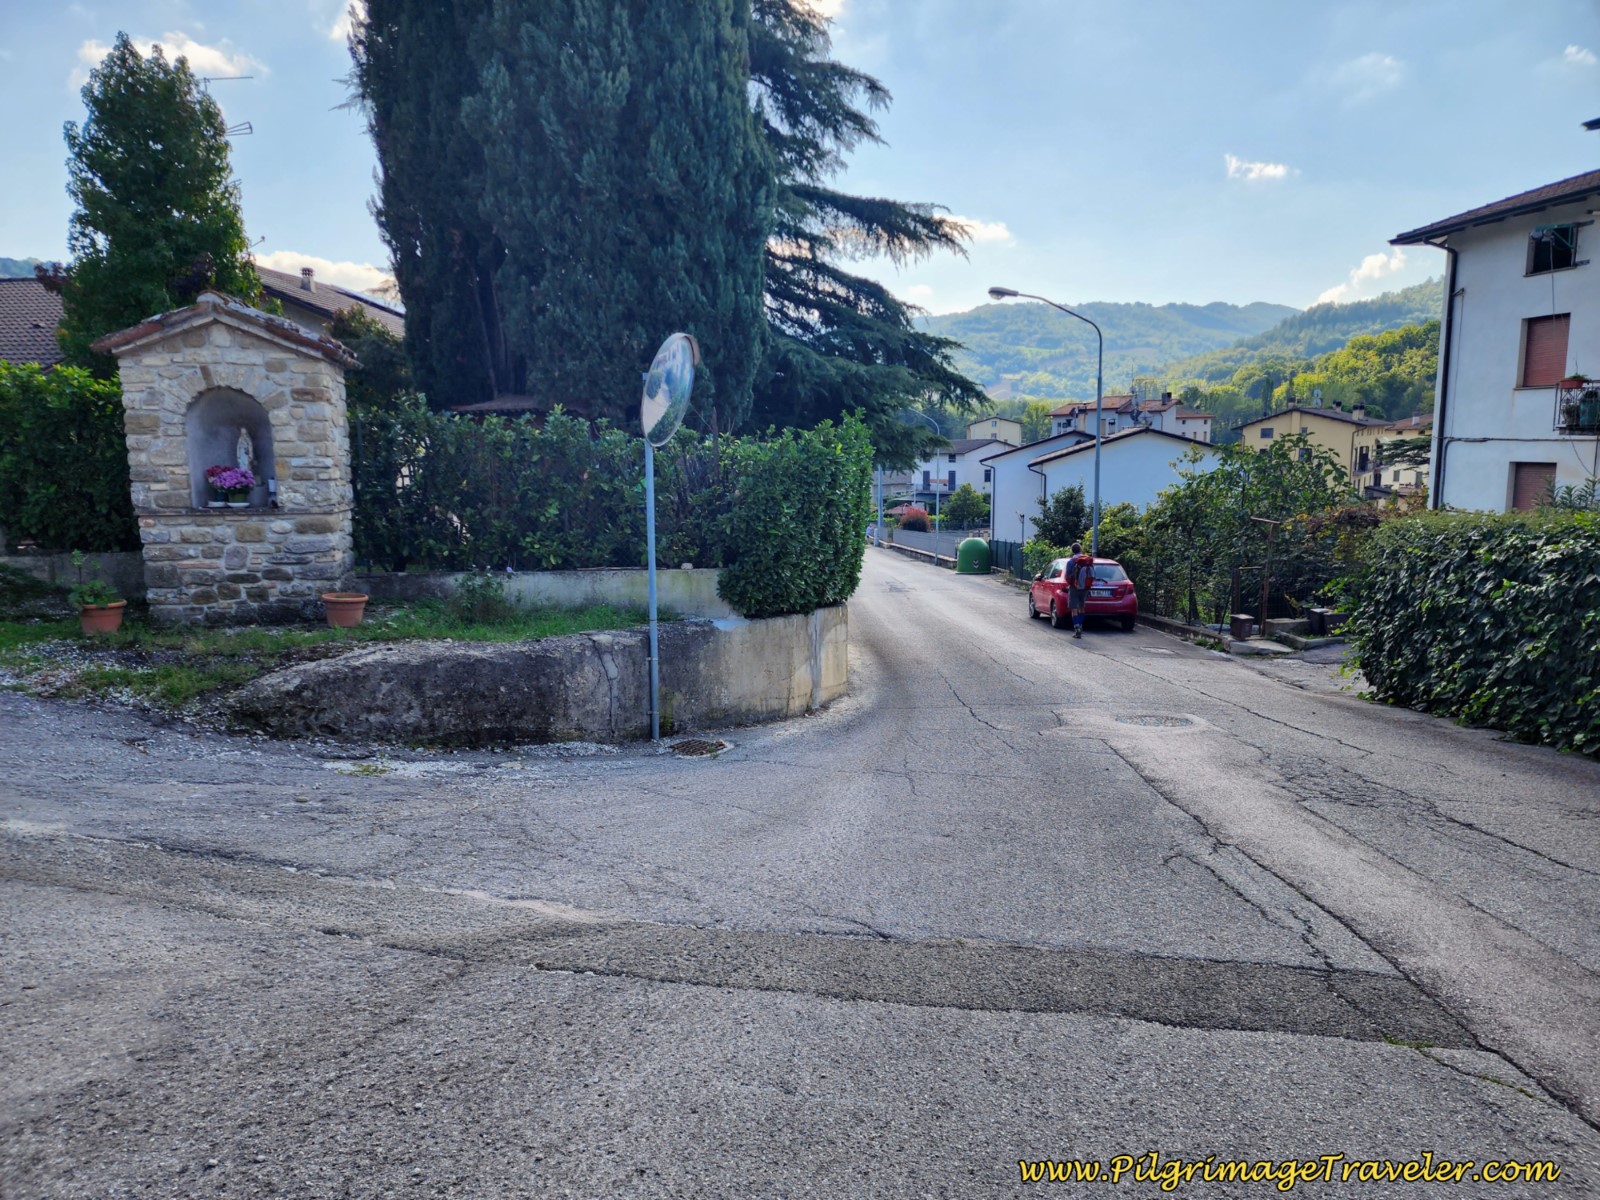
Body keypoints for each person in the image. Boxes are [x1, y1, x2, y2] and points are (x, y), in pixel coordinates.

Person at [1065, 542, 1095, 638]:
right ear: (1081, 549)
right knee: (1082, 607)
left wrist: (1070, 584)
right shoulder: (1087, 560)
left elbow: (1068, 576)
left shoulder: (1071, 562)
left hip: (1074, 587)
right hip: (1085, 587)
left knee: (1074, 608)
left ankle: (1077, 628)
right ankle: (1081, 626)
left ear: (1072, 551)